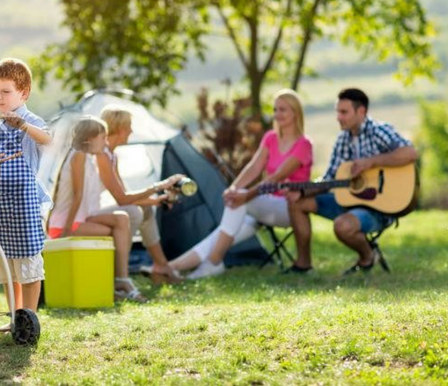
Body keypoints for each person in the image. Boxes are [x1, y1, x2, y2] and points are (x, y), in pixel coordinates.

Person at [169, 89, 313, 279]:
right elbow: (254, 167)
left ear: (295, 112)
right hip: (266, 205)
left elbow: (276, 177)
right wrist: (234, 188)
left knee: (239, 203)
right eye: (276, 109)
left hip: (289, 209)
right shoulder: (270, 138)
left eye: (283, 110)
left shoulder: (304, 144)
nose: (277, 114)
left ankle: (212, 262)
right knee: (224, 230)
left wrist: (245, 195)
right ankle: (171, 267)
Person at [287, 88, 417, 274]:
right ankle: (303, 264)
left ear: (361, 111)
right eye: (337, 112)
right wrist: (301, 191)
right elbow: (329, 180)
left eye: (344, 112)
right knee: (297, 203)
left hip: (378, 207)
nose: (338, 117)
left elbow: (410, 153)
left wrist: (371, 162)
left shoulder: (379, 131)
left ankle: (368, 257)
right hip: (349, 201)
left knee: (342, 226)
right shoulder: (343, 140)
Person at [47, 116, 147, 303]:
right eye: (103, 137)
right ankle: (116, 282)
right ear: (89, 139)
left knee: (121, 220)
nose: (106, 142)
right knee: (114, 233)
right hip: (65, 224)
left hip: (79, 220)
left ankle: (120, 279)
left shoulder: (89, 159)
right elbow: (77, 196)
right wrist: (67, 232)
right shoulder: (78, 155)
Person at [0, 58, 52, 312]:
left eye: (6, 92)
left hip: (25, 204)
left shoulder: (32, 122)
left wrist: (22, 125)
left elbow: (48, 140)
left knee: (28, 266)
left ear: (23, 93)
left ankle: (28, 317)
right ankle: (13, 316)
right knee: (5, 263)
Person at [95, 105, 184, 284]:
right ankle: (120, 274)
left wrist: (156, 200)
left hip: (98, 210)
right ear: (120, 129)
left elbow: (124, 193)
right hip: (88, 214)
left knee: (146, 209)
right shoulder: (101, 156)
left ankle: (161, 265)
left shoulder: (111, 155)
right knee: (135, 211)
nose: (131, 131)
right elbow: (121, 199)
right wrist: (159, 186)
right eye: (129, 127)